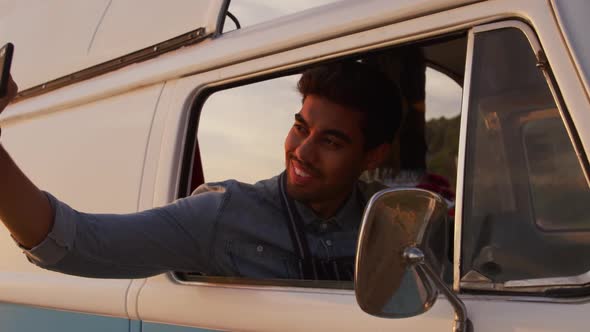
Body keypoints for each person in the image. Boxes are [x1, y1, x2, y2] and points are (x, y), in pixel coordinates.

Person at [0, 61, 402, 280]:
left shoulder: (396, 227)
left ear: (373, 156)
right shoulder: (224, 213)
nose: (303, 152)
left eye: (331, 142)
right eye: (300, 128)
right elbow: (73, 243)